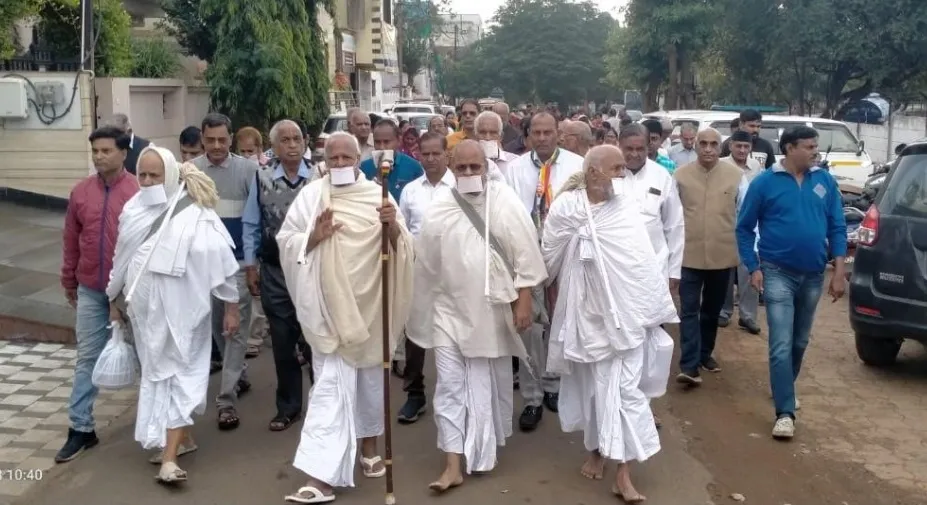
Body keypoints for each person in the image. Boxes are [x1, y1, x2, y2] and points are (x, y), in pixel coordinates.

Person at [279, 131, 415, 504]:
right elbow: (287, 241)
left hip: (371, 306)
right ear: (323, 159)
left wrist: (391, 228)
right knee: (330, 391)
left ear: (360, 160)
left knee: (371, 383)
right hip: (327, 309)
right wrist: (313, 237)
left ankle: (368, 447)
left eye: (346, 158)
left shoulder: (379, 196)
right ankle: (320, 477)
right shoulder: (312, 196)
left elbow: (401, 251)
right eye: (332, 158)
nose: (339, 164)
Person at [406, 140, 548, 492]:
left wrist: (524, 301)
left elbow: (526, 253)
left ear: (486, 168)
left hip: (488, 310)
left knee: (482, 382)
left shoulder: (504, 201)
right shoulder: (440, 206)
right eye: (461, 168)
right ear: (452, 169)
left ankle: (482, 452)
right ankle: (452, 462)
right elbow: (424, 260)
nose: (468, 174)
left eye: (475, 167)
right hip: (446, 310)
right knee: (450, 386)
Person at [543, 145, 678, 503]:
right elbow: (549, 257)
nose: (622, 174)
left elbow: (642, 263)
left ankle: (624, 471)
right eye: (616, 168)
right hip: (585, 316)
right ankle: (598, 449)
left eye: (623, 168)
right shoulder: (567, 208)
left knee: (626, 392)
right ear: (593, 172)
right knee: (593, 390)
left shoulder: (627, 209)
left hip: (627, 317)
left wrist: (650, 310)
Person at [106, 147, 239, 483]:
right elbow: (120, 260)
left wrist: (232, 309)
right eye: (143, 175)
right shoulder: (133, 210)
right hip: (144, 315)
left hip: (185, 314)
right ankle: (183, 439)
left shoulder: (196, 214)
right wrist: (113, 299)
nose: (148, 182)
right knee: (157, 375)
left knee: (180, 375)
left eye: (155, 175)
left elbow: (222, 264)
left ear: (170, 175)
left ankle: (169, 460)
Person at [736, 126, 847, 440]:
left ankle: (784, 386)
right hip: (776, 272)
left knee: (799, 341)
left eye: (816, 146)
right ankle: (785, 412)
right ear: (789, 148)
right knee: (781, 343)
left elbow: (837, 226)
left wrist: (838, 271)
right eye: (809, 146)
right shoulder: (764, 184)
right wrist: (753, 267)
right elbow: (744, 229)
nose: (815, 151)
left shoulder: (824, 181)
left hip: (813, 274)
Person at [57, 126, 139, 463]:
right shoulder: (80, 193)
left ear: (123, 152)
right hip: (91, 289)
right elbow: (70, 240)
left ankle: (162, 427)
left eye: (106, 150)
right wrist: (68, 280)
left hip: (132, 291)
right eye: (95, 151)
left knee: (149, 357)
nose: (99, 156)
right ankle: (81, 428)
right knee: (87, 359)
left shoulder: (138, 190)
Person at [504, 112, 584, 431]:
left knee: (560, 323)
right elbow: (510, 214)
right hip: (527, 255)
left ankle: (554, 386)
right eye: (535, 132)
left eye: (548, 132)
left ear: (558, 134)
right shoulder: (514, 170)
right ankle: (533, 397)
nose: (542, 138)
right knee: (530, 329)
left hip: (565, 254)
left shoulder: (578, 165)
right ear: (528, 136)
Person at [242, 120, 321, 432]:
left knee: (316, 337)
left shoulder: (320, 174)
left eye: (297, 138)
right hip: (275, 270)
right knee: (283, 340)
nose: (292, 144)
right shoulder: (260, 177)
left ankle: (323, 404)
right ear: (273, 147)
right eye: (285, 140)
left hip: (313, 268)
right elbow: (251, 223)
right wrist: (251, 266)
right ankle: (288, 407)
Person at [192, 113, 259, 430]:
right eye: (210, 140)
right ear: (202, 140)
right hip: (205, 267)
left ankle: (225, 401)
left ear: (230, 139)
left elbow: (254, 219)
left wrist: (251, 264)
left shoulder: (248, 170)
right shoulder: (191, 173)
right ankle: (240, 374)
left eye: (222, 139)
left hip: (237, 264)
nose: (216, 146)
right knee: (219, 328)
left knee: (234, 330)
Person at [673, 129, 748, 385]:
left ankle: (706, 354)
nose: (708, 149)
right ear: (695, 146)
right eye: (702, 144)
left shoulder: (737, 177)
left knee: (712, 310)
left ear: (720, 148)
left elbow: (744, 215)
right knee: (689, 309)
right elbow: (672, 217)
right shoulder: (680, 176)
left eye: (713, 144)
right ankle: (689, 365)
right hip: (688, 255)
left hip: (723, 254)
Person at [395, 132, 457, 424]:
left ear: (447, 155)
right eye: (425, 154)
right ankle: (415, 394)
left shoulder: (459, 187)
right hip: (418, 270)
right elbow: (403, 230)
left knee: (455, 333)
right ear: (418, 154)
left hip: (455, 271)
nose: (430, 159)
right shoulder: (410, 191)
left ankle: (457, 394)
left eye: (436, 153)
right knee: (415, 335)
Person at [719, 130, 764, 334]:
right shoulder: (721, 166)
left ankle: (748, 316)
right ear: (731, 146)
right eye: (738, 146)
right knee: (725, 272)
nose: (742, 150)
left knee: (749, 270)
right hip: (726, 226)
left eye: (746, 147)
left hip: (750, 228)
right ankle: (724, 311)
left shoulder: (756, 168)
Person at [359, 120, 424, 202]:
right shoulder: (364, 167)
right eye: (377, 142)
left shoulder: (414, 166)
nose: (382, 147)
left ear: (398, 141)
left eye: (386, 142)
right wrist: (378, 177)